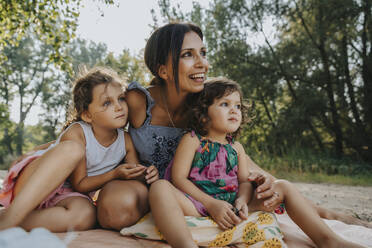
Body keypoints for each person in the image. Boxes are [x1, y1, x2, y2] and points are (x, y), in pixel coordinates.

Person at [7, 22, 370, 233]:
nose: (202, 62)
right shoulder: (135, 101)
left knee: (267, 191)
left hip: (180, 189)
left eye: (202, 52)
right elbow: (89, 131)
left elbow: (235, 157)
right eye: (188, 54)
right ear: (163, 69)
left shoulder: (206, 105)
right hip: (133, 183)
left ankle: (326, 215)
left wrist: (267, 181)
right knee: (115, 210)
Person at [148, 77, 365, 248]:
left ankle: (328, 240)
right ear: (203, 114)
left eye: (238, 106)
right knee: (160, 187)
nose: (234, 110)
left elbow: (243, 182)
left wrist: (243, 200)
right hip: (197, 203)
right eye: (225, 104)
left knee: (283, 185)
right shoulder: (193, 139)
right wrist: (211, 204)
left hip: (234, 205)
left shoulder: (237, 148)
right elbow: (178, 178)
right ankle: (185, 244)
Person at [0, 67, 159, 232]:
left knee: (86, 215)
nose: (119, 107)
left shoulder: (125, 140)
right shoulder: (78, 132)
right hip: (33, 183)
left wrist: (146, 174)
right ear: (87, 115)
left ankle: (9, 221)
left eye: (121, 99)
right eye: (107, 103)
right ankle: (13, 215)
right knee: (72, 150)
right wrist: (115, 174)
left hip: (66, 194)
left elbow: (134, 172)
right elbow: (80, 183)